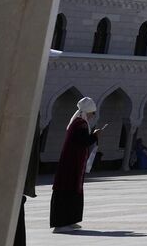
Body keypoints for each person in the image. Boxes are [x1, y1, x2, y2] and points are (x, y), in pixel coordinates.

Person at [50, 97, 98, 230]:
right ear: (87, 112)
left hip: (73, 165)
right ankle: (60, 224)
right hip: (70, 166)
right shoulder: (80, 124)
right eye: (92, 113)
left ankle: (70, 220)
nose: (93, 116)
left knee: (72, 192)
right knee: (67, 191)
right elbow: (83, 142)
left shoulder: (78, 123)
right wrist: (95, 136)